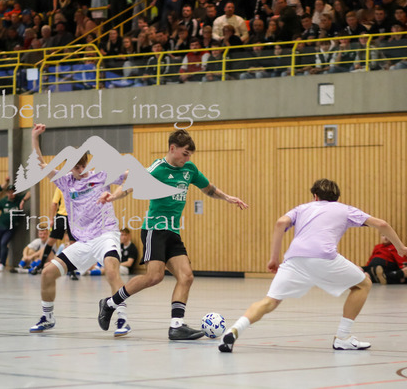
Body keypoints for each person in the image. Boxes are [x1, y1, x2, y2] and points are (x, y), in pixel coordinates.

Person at [218, 179, 407, 353]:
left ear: (315, 196)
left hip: (294, 259)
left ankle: (234, 330)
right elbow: (381, 224)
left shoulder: (302, 208)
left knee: (270, 301)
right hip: (324, 257)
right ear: (336, 197)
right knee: (363, 284)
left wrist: (274, 258)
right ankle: (342, 337)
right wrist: (400, 248)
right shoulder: (345, 209)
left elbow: (281, 223)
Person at [99, 129, 248, 340]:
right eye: (185, 154)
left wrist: (227, 197)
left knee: (186, 276)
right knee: (154, 276)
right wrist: (112, 197)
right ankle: (109, 303)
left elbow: (209, 188)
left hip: (173, 231)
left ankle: (176, 326)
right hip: (155, 229)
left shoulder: (189, 169)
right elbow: (130, 184)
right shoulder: (158, 168)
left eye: (190, 155)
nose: (187, 159)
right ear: (172, 148)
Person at [29, 124, 131, 337]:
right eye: (76, 167)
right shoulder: (65, 182)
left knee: (111, 270)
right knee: (47, 273)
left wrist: (116, 194)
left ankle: (122, 318)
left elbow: (130, 176)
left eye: (83, 165)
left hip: (105, 234)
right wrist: (35, 137)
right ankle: (48, 317)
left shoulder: (101, 175)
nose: (80, 170)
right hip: (83, 241)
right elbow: (40, 164)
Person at [0, 185, 30, 272]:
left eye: (13, 192)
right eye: (10, 192)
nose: (12, 194)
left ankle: (2, 264)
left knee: (3, 243)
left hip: (10, 228)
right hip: (0, 226)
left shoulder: (18, 199)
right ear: (7, 193)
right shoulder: (3, 201)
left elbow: (29, 193)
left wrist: (23, 201)